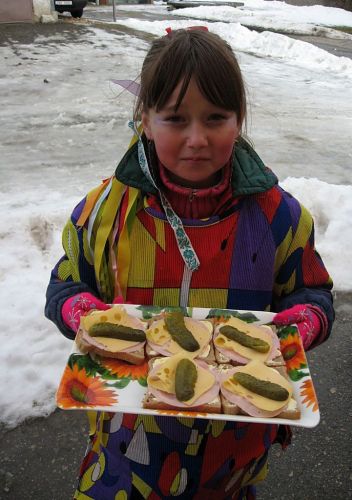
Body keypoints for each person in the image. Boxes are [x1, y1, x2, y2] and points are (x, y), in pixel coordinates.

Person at [45, 27, 335, 499]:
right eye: (176, 119)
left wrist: (304, 321)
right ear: (145, 117)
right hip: (127, 443)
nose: (197, 139)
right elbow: (67, 280)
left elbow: (311, 290)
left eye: (215, 117)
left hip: (235, 447)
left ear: (239, 119)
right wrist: (77, 309)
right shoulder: (104, 214)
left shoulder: (279, 217)